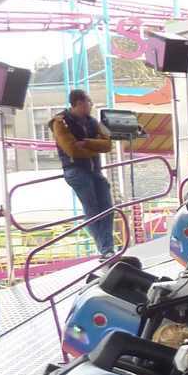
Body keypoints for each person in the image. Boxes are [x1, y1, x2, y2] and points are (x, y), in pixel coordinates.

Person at [50, 89, 116, 258]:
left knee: (107, 207)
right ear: (79, 103)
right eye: (89, 102)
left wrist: (86, 143)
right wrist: (94, 148)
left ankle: (107, 248)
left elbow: (107, 145)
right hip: (75, 170)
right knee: (92, 207)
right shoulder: (60, 122)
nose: (91, 106)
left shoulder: (93, 122)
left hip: (94, 169)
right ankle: (106, 249)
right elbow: (71, 149)